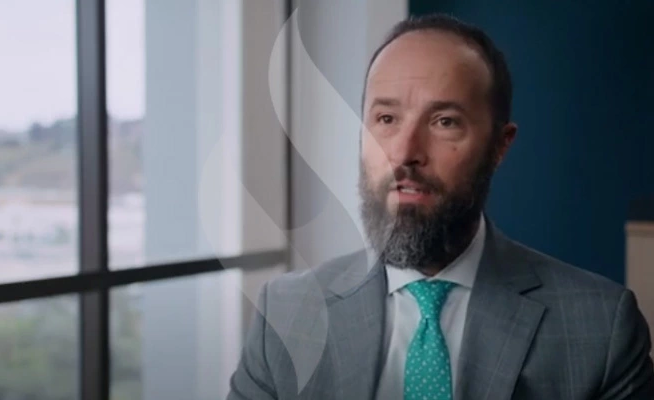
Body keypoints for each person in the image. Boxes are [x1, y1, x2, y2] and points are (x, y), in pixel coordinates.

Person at [227, 13, 654, 400]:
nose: (404, 153)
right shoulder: (286, 314)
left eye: (444, 122)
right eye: (386, 119)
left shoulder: (601, 328)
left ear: (500, 146)